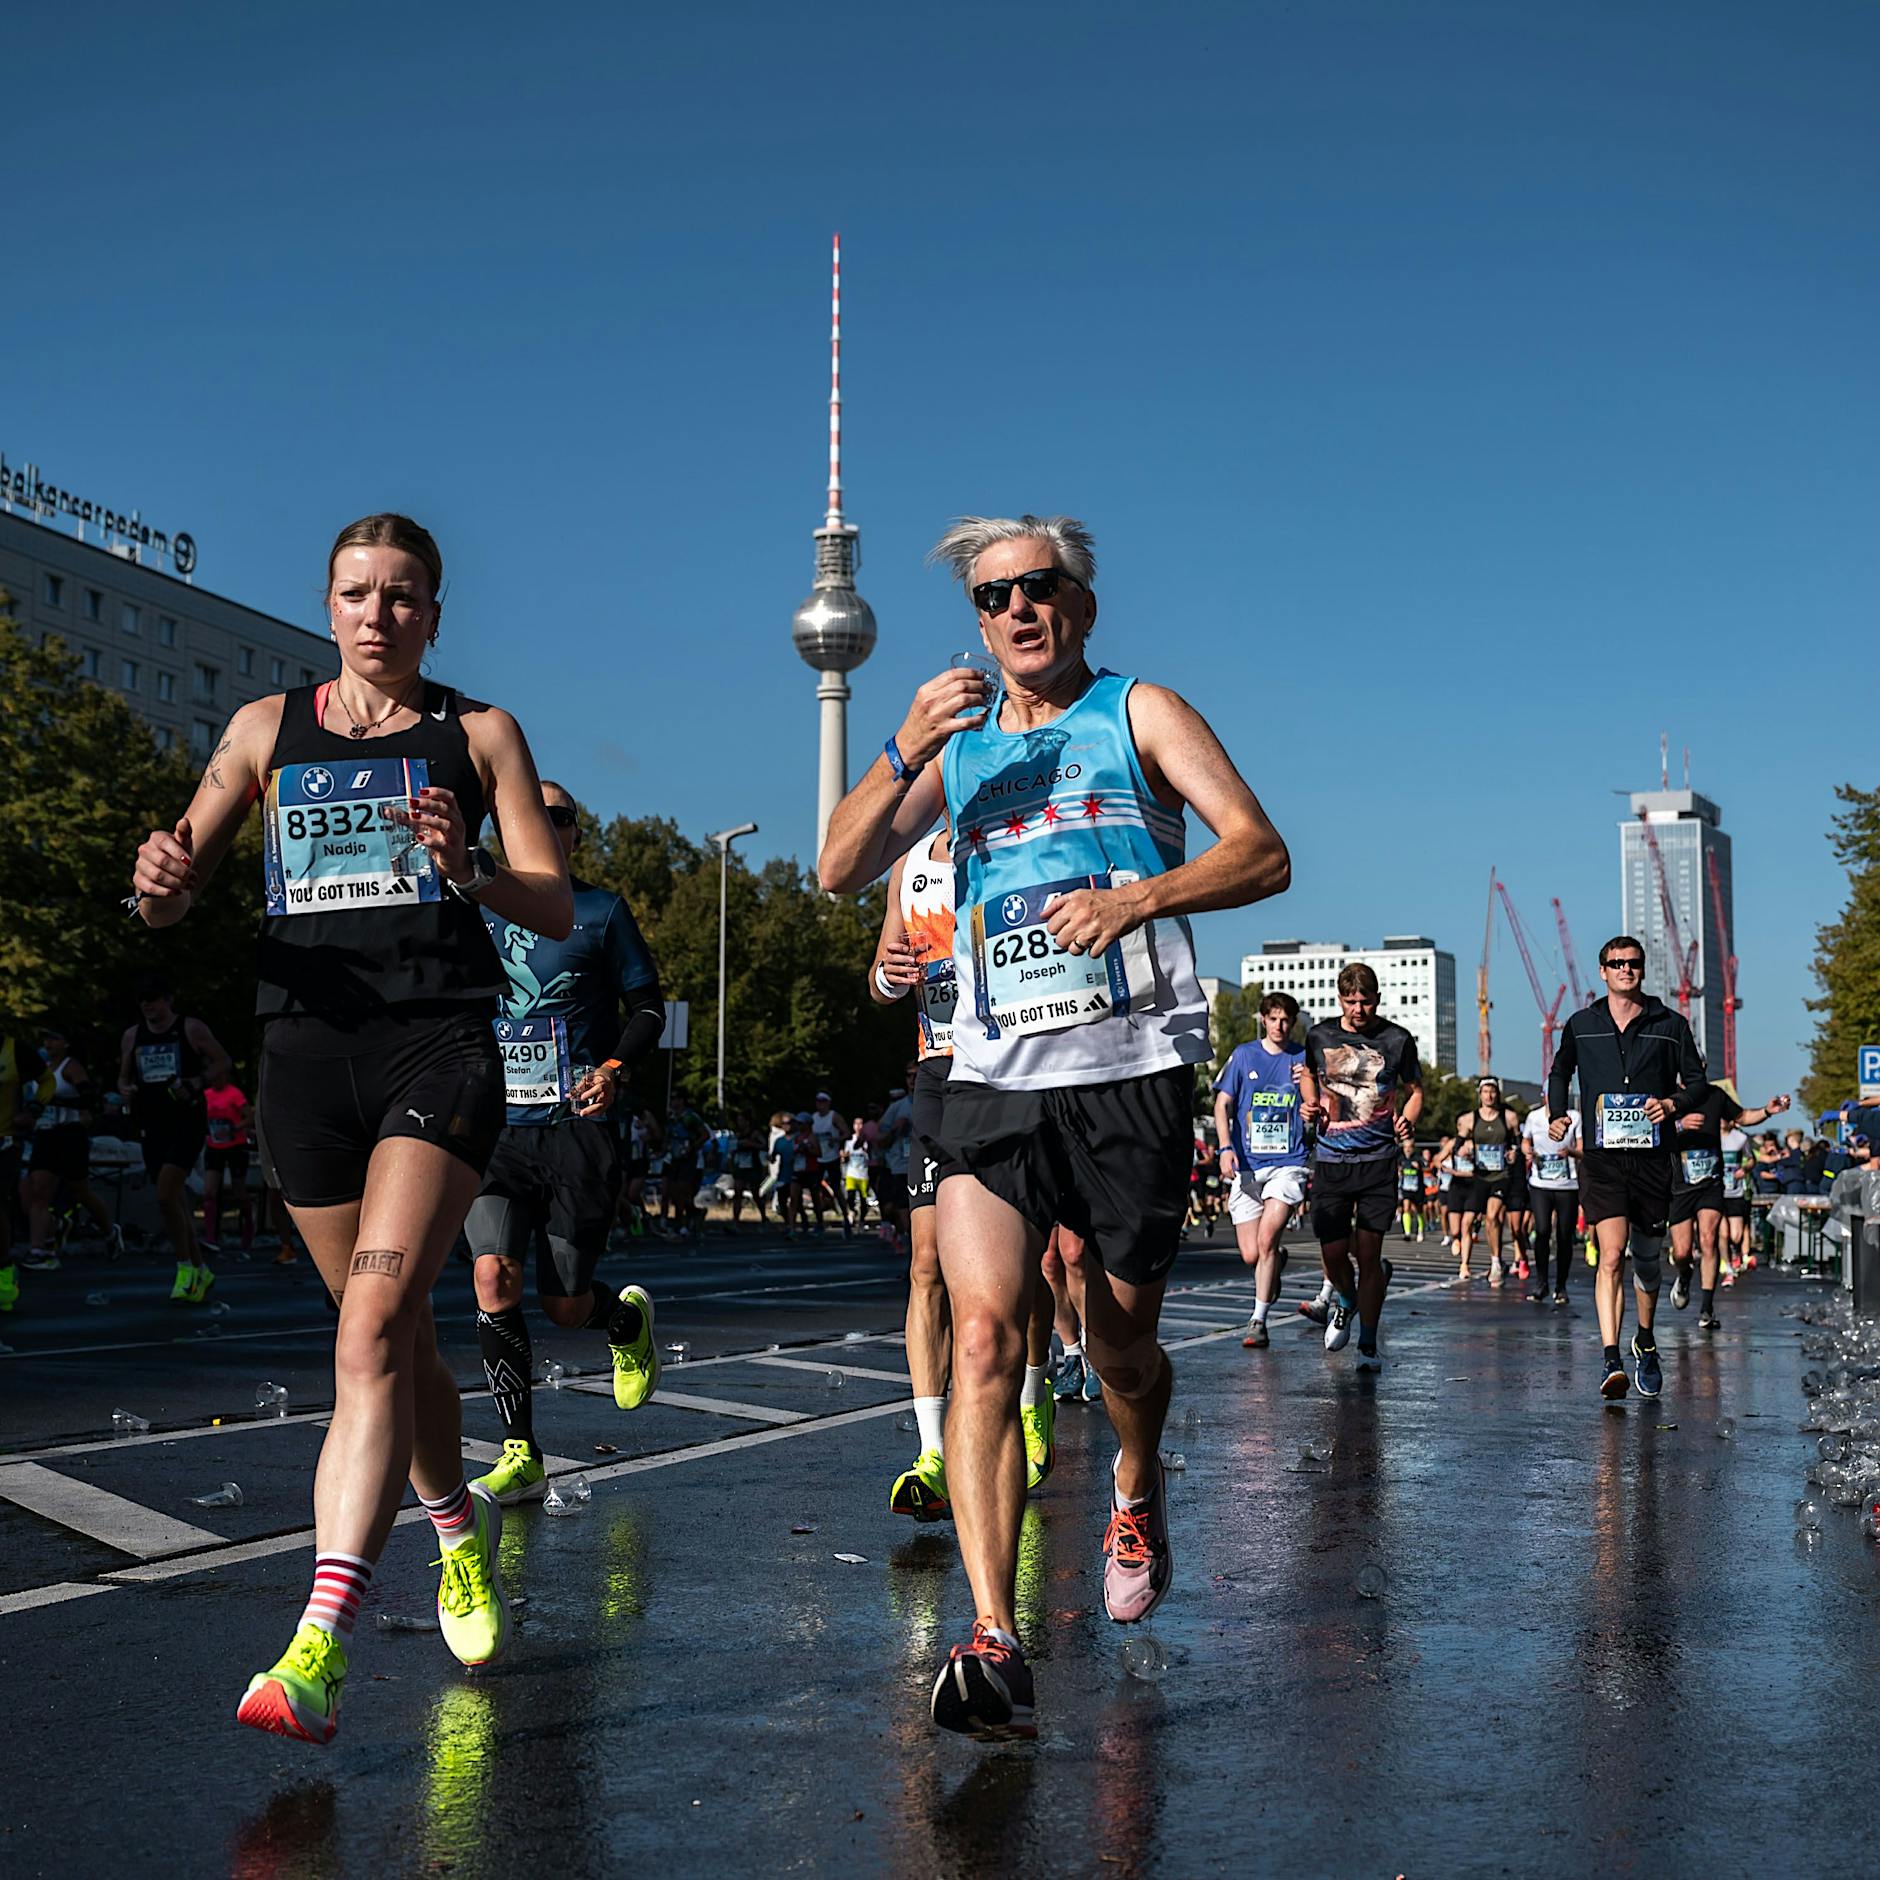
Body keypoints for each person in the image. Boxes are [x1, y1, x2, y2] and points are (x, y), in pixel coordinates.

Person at [820, 512, 1290, 1741]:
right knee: (983, 1337)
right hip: (988, 1073)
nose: (1016, 611)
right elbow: (833, 866)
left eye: (1037, 588)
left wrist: (1136, 893)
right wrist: (897, 743)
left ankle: (1136, 1475)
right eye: (992, 598)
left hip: (1128, 1066)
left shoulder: (1141, 711)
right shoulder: (957, 740)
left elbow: (1261, 851)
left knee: (1122, 1348)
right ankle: (993, 1633)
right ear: (975, 621)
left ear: (1079, 601)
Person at [131, 512, 572, 1745]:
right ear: (328, 606)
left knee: (375, 1322)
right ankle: (452, 1530)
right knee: (387, 1342)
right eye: (355, 594)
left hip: (437, 1046)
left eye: (402, 596)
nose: (377, 615)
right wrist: (155, 883)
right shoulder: (264, 732)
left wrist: (472, 866)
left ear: (435, 613)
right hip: (304, 1063)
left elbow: (550, 899)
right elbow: (174, 879)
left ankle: (315, 1643)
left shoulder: (478, 734)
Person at [464, 779, 665, 1507]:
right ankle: (520, 1452)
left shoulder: (599, 911)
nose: (544, 824)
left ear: (576, 835)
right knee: (493, 1278)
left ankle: (621, 1319)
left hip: (577, 1127)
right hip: (495, 1128)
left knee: (563, 1304)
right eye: (531, 813)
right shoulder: (471, 904)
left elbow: (646, 1006)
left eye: (560, 817)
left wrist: (613, 1070)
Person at [1546, 935, 1708, 1403]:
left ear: (1642, 969)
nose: (1625, 970)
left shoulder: (1670, 1024)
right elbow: (1561, 1071)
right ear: (1602, 971)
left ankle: (1646, 1338)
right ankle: (1611, 1357)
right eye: (1616, 964)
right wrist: (1559, 1112)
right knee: (1611, 1255)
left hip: (1654, 1158)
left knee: (1647, 1260)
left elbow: (1698, 1083)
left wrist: (1673, 1104)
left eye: (1633, 964)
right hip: (1602, 1158)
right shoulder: (1581, 1024)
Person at [871, 827, 962, 1522]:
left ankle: (1031, 1394)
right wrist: (889, 974)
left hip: (1015, 1073)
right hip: (939, 1072)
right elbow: (878, 979)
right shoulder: (910, 864)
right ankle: (931, 1453)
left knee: (1026, 1267)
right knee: (926, 1265)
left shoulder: (1019, 839)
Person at [1305, 965, 1421, 1371]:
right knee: (1334, 1252)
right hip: (1332, 1160)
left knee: (1370, 1254)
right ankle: (1347, 1299)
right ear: (1339, 998)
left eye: (1366, 1000)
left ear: (1377, 998)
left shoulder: (1396, 1040)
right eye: (1351, 1001)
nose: (1358, 1008)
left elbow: (1415, 1090)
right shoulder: (1320, 1035)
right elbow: (1308, 1073)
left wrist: (1408, 1117)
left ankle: (1368, 1344)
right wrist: (1310, 1103)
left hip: (1377, 1161)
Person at [118, 974, 230, 1303]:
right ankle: (200, 1268)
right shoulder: (131, 1036)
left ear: (168, 1000)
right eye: (143, 1001)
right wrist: (126, 1090)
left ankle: (184, 1268)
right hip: (151, 1124)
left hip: (187, 1120)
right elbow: (123, 1079)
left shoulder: (190, 1028)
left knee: (166, 1194)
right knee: (175, 1200)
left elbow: (223, 1061)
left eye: (154, 999)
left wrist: (196, 1083)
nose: (148, 1006)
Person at [1212, 992, 1308, 1350]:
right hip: (1248, 1166)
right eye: (1274, 1019)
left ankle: (1258, 1321)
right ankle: (1274, 1264)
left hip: (1289, 1163)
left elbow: (1322, 1104)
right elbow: (1222, 1103)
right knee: (1252, 1255)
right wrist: (1224, 1149)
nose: (1280, 1026)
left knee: (1268, 1240)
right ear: (1263, 1020)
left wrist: (1308, 1084)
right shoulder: (1243, 1056)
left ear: (1293, 1023)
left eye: (1286, 1020)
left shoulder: (1303, 1059)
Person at [1668, 1082, 1790, 1332]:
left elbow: (1743, 1116)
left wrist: (1767, 1110)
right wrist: (1679, 1125)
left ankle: (1707, 1307)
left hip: (1711, 1183)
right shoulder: (1671, 1098)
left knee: (1709, 1239)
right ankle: (1684, 1274)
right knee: (1682, 1252)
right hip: (1681, 1184)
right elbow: (1652, 1130)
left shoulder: (1715, 1095)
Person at [23, 1024, 119, 1269]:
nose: (48, 1044)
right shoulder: (40, 1071)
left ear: (66, 1043)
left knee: (79, 1190)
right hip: (45, 1133)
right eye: (45, 1040)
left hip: (70, 1134)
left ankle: (109, 1230)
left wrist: (55, 1099)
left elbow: (90, 1100)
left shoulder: (71, 1067)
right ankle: (39, 1250)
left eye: (54, 1039)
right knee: (37, 1191)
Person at [1448, 1078, 1521, 1285]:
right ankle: (1485, 1259)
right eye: (1485, 1091)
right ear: (1479, 1094)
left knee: (1491, 1216)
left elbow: (1517, 1143)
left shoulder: (1509, 1117)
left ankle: (1496, 1263)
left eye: (1493, 1092)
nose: (1489, 1096)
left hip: (1501, 1175)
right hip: (1479, 1176)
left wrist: (1514, 1154)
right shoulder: (1469, 1120)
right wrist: (1462, 1151)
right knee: (1471, 1221)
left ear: (1497, 1094)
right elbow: (1457, 1146)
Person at [0, 1025, 46, 1310]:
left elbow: (47, 1080)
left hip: (6, 1140)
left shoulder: (15, 1050)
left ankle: (4, 1270)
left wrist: (33, 1110)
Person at [1521, 1093, 1581, 1304]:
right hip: (1541, 1184)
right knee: (1543, 1230)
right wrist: (1527, 1151)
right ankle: (1541, 1283)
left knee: (1564, 1235)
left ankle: (1561, 1286)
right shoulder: (1534, 1117)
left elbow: (1582, 1149)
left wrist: (1571, 1152)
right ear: (1544, 1096)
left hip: (1567, 1184)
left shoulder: (1574, 1116)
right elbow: (1524, 1141)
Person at [200, 1066, 257, 1257]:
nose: (215, 1078)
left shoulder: (234, 1094)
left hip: (235, 1147)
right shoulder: (206, 1094)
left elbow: (249, 1117)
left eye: (218, 1075)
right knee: (209, 1192)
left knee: (238, 1191)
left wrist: (234, 1128)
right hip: (214, 1146)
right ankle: (210, 1238)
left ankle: (249, 1227)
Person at [807, 1091, 848, 1234]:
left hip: (832, 1157)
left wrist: (836, 1139)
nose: (821, 1105)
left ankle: (846, 1217)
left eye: (823, 1102)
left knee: (836, 1189)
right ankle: (819, 1221)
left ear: (828, 1103)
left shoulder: (834, 1116)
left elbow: (846, 1132)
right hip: (818, 1158)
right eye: (818, 1102)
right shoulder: (814, 1118)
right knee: (814, 1189)